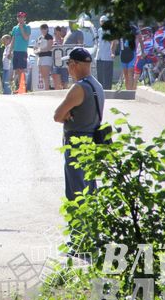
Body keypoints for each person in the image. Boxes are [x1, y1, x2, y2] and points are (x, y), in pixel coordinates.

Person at [53, 47, 104, 201]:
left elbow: (57, 116)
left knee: (76, 192)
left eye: (68, 63)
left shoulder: (79, 87)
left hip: (76, 144)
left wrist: (67, 115)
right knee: (89, 187)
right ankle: (91, 221)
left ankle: (80, 224)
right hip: (92, 142)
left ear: (75, 64)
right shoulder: (98, 86)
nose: (68, 68)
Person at [9, 12, 31, 92]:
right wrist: (9, 51)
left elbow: (25, 38)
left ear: (24, 18)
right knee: (17, 70)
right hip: (16, 51)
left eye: (22, 17)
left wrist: (21, 28)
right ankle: (20, 87)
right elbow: (13, 40)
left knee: (22, 69)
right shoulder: (15, 28)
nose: (20, 18)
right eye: (19, 17)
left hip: (23, 51)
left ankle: (23, 87)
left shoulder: (27, 27)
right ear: (17, 18)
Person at [95, 16, 115, 90]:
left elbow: (114, 42)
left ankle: (107, 91)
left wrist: (112, 52)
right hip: (99, 55)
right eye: (101, 21)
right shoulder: (99, 30)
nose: (102, 23)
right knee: (99, 75)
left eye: (104, 21)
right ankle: (100, 90)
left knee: (107, 76)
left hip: (107, 56)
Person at [34, 24, 54, 91]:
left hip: (47, 57)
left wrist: (40, 50)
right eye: (42, 29)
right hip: (40, 57)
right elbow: (35, 47)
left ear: (47, 29)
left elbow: (49, 47)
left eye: (45, 29)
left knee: (46, 74)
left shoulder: (49, 37)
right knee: (42, 74)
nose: (43, 30)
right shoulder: (39, 38)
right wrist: (36, 51)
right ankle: (46, 89)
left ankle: (47, 89)